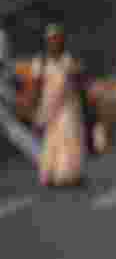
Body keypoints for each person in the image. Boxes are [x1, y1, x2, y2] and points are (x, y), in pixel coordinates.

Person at [30, 24, 87, 187]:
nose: (54, 43)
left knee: (69, 139)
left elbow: (80, 83)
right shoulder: (40, 62)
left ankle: (69, 174)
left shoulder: (69, 59)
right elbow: (35, 87)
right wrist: (34, 109)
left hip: (68, 107)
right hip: (48, 108)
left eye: (57, 39)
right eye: (51, 40)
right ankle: (50, 173)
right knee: (51, 141)